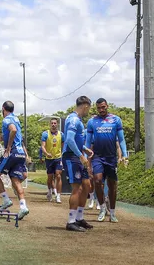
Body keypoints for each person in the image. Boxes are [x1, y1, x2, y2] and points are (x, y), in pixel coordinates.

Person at [85, 98, 128, 223]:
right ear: (96, 108)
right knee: (97, 181)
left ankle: (113, 213)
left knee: (112, 185)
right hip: (97, 156)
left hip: (111, 157)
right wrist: (86, 156)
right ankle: (102, 208)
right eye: (99, 108)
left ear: (107, 106)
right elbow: (88, 141)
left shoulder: (116, 120)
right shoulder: (92, 121)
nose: (101, 110)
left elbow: (121, 139)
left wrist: (124, 154)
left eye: (103, 107)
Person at [0, 101, 29, 220]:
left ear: (3, 108)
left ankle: (6, 200)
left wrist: (7, 148)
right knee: (15, 181)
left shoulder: (6, 119)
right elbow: (15, 135)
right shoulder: (16, 119)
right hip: (20, 154)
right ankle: (23, 207)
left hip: (12, 153)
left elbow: (13, 131)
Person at [62, 96, 94, 232]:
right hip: (72, 157)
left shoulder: (78, 120)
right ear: (85, 106)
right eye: (89, 108)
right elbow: (69, 139)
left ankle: (79, 218)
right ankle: (71, 221)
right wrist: (81, 155)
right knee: (77, 188)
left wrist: (84, 149)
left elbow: (75, 139)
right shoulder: (74, 119)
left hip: (78, 155)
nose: (89, 110)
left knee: (86, 186)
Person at [41, 118, 64, 203]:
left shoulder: (61, 134)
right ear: (50, 124)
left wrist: (62, 155)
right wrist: (46, 153)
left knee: (58, 175)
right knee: (50, 177)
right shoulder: (45, 134)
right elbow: (43, 146)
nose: (53, 125)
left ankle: (58, 196)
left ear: (57, 124)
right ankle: (50, 191)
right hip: (49, 159)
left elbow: (63, 146)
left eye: (55, 123)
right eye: (52, 123)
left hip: (58, 158)